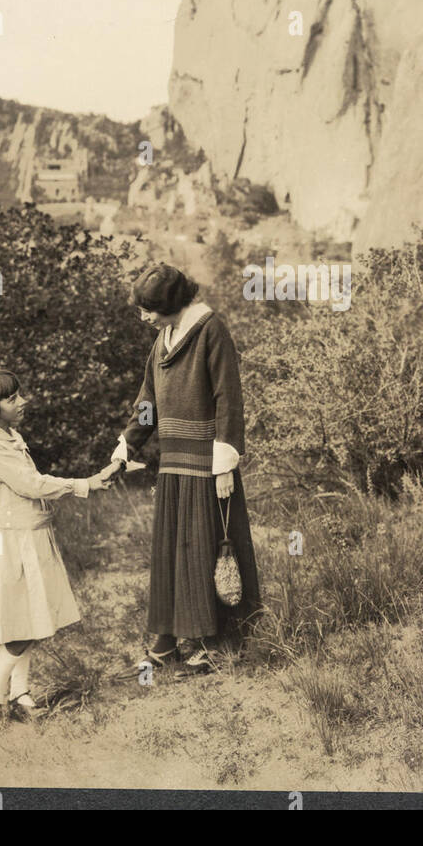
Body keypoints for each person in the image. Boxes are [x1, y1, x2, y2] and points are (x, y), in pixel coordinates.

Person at [112, 264, 261, 675]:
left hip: (207, 464)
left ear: (174, 303)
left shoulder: (212, 330)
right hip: (173, 464)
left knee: (206, 550)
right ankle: (165, 644)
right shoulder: (163, 339)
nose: (143, 317)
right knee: (171, 554)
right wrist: (127, 445)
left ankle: (212, 644)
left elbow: (228, 398)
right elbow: (148, 401)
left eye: (150, 309)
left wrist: (226, 464)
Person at [0, 368, 118, 735]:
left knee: (29, 618)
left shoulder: (8, 434)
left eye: (19, 395)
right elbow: (31, 484)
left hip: (25, 537)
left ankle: (21, 695)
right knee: (19, 626)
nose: (22, 402)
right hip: (7, 544)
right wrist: (86, 484)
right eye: (12, 398)